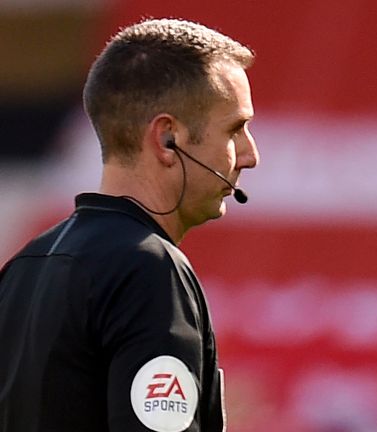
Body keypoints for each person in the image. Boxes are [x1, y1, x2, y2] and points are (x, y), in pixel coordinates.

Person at [0, 18, 259, 431]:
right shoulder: (147, 268)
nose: (249, 155)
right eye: (235, 130)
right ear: (167, 139)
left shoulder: (23, 268)